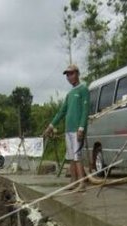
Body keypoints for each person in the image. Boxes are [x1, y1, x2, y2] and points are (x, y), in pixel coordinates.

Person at [44, 64, 90, 192]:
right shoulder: (70, 94)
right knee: (71, 157)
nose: (69, 77)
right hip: (68, 130)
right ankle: (73, 181)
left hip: (77, 130)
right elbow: (61, 112)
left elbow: (85, 111)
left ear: (77, 74)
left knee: (77, 156)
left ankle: (82, 183)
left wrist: (81, 128)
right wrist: (51, 126)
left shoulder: (83, 90)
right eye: (67, 75)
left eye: (71, 74)